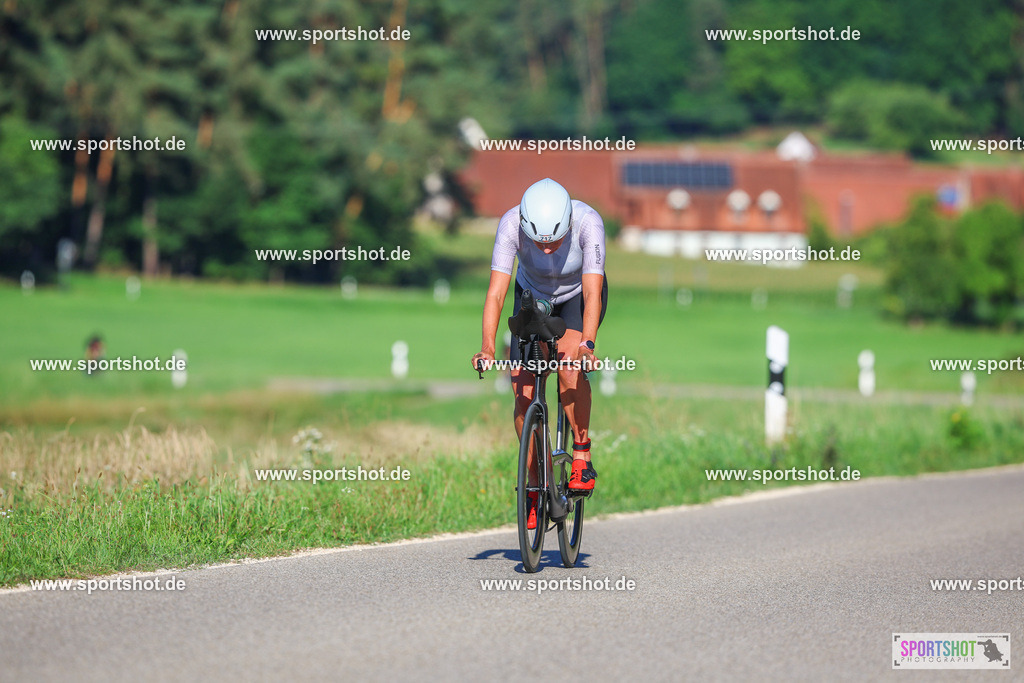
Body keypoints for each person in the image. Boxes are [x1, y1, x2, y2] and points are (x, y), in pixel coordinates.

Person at [471, 178, 607, 529]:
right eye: (538, 243)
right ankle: (536, 484)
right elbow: (497, 294)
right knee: (523, 391)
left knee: (569, 366)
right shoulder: (510, 224)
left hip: (577, 297)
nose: (546, 250)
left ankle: (581, 453)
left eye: (555, 242)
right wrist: (487, 346)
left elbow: (593, 294)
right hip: (532, 296)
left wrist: (587, 345)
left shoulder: (588, 221)